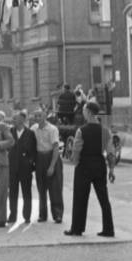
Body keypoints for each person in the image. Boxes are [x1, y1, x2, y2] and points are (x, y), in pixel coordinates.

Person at [65, 101, 116, 237]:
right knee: (104, 198)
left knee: (80, 198)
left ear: (88, 112)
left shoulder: (81, 131)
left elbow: (76, 150)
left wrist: (75, 162)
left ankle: (77, 228)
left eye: (83, 110)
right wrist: (111, 170)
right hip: (99, 164)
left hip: (84, 165)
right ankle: (108, 229)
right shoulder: (105, 131)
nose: (83, 113)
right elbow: (111, 152)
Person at [31, 107, 64, 223]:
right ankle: (42, 215)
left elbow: (56, 148)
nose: (37, 118)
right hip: (40, 158)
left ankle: (57, 214)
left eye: (39, 115)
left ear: (45, 116)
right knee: (41, 188)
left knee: (55, 188)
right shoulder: (33, 129)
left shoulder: (52, 129)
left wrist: (52, 166)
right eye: (35, 116)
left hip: (51, 157)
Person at [8, 109, 37, 224]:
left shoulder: (30, 133)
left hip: (25, 169)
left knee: (26, 193)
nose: (13, 120)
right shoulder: (10, 131)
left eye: (16, 118)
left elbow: (34, 151)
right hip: (12, 168)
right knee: (12, 193)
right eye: (14, 118)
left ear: (23, 120)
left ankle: (27, 216)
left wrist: (30, 163)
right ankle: (13, 216)